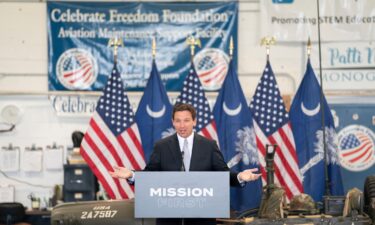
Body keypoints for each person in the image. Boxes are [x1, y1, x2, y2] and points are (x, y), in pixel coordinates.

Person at [110, 103, 261, 225]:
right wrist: (132, 174)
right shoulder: (161, 146)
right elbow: (150, 175)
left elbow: (223, 175)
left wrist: (240, 176)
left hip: (201, 217)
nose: (182, 125)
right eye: (178, 121)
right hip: (169, 218)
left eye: (186, 120)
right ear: (172, 122)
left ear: (194, 121)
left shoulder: (209, 146)